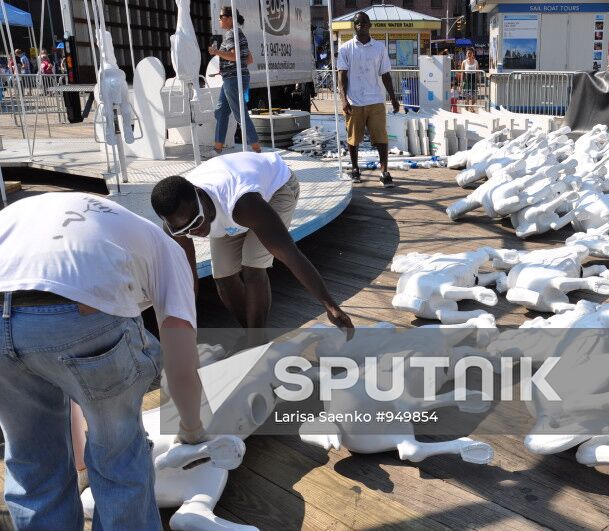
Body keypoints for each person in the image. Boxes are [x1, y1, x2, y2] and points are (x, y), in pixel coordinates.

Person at [0, 192, 205, 530]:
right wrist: (192, 429)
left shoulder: (27, 210)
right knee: (118, 454)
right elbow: (181, 356)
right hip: (80, 310)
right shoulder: (166, 248)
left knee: (32, 458)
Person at [150, 151, 354, 344]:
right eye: (184, 229)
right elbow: (188, 276)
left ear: (200, 196)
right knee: (223, 276)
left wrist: (329, 305)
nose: (194, 232)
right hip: (226, 206)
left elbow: (290, 254)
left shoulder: (243, 205)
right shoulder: (176, 226)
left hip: (276, 188)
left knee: (253, 267)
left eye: (196, 222)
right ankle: (254, 338)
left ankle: (256, 342)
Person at [337, 12, 400, 188]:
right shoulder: (345, 48)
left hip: (376, 101)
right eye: (357, 23)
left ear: (370, 25)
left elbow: (386, 74)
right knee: (353, 139)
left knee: (381, 137)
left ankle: (384, 171)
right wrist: (343, 100)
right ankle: (355, 169)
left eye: (364, 22)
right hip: (354, 102)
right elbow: (341, 77)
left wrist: (393, 98)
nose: (361, 25)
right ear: (353, 26)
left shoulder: (379, 48)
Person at [206, 6, 261, 157]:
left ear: (230, 18)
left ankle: (257, 149)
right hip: (233, 77)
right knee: (221, 111)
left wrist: (216, 52)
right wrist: (225, 68)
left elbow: (236, 56)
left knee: (240, 114)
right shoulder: (239, 34)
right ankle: (217, 148)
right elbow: (248, 59)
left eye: (221, 17)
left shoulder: (231, 34)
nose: (219, 20)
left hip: (233, 80)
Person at [460, 47, 479, 112]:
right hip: (466, 80)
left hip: (473, 81)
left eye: (470, 53)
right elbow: (462, 73)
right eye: (468, 53)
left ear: (473, 54)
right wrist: (461, 84)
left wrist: (478, 82)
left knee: (474, 97)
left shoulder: (476, 62)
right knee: (467, 97)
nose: (469, 54)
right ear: (466, 54)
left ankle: (471, 107)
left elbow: (477, 72)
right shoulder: (464, 62)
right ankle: (466, 110)